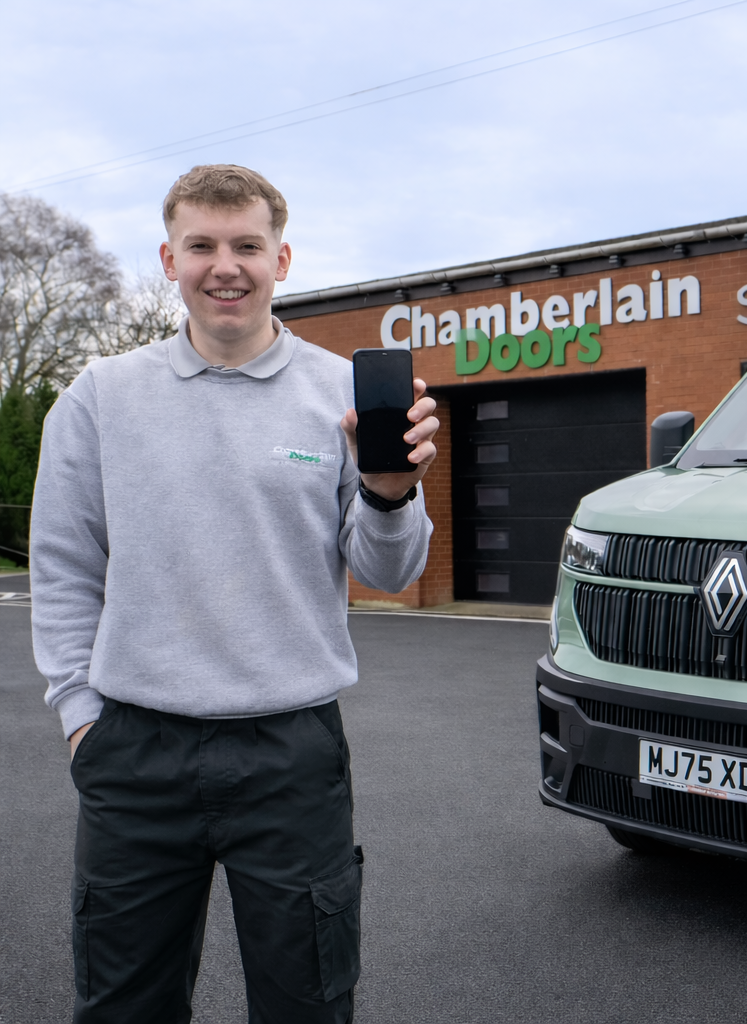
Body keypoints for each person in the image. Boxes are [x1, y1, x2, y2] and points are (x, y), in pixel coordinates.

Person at [30, 164, 437, 1023]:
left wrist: (392, 491)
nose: (226, 265)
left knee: (308, 1005)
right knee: (120, 1006)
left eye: (247, 245)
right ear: (169, 258)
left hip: (290, 755)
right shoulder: (100, 398)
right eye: (202, 246)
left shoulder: (342, 394)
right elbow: (63, 568)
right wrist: (80, 718)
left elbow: (391, 572)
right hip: (133, 753)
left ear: (281, 259)